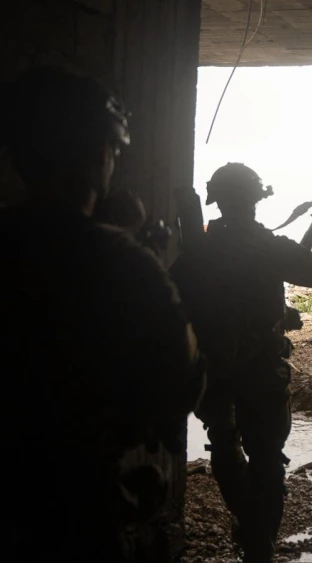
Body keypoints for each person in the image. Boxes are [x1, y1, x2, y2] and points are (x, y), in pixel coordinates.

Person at [0, 67, 205, 561]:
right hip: (73, 504)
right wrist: (148, 257)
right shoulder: (124, 261)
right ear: (100, 155)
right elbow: (184, 382)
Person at [169, 162, 312, 563]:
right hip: (262, 370)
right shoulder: (269, 246)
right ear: (256, 199)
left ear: (216, 199)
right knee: (267, 457)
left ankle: (252, 529)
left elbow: (179, 297)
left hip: (213, 369)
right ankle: (259, 541)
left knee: (224, 442)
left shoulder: (199, 247)